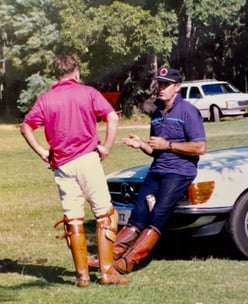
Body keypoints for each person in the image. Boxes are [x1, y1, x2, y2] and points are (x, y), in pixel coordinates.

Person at [20, 54, 128, 287]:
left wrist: (42, 152)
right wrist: (107, 147)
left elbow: (26, 127)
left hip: (62, 165)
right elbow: (111, 116)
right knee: (105, 215)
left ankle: (82, 276)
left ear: (56, 74)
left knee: (73, 219)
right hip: (88, 160)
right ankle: (107, 273)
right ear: (77, 72)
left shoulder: (46, 99)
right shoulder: (88, 92)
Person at [89, 67, 207, 273]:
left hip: (179, 171)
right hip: (157, 169)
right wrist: (142, 144)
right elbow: (155, 149)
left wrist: (167, 145)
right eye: (159, 84)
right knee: (138, 215)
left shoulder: (188, 111)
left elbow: (200, 148)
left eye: (166, 84)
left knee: (158, 215)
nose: (161, 88)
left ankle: (130, 261)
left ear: (177, 88)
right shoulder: (157, 112)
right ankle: (108, 257)